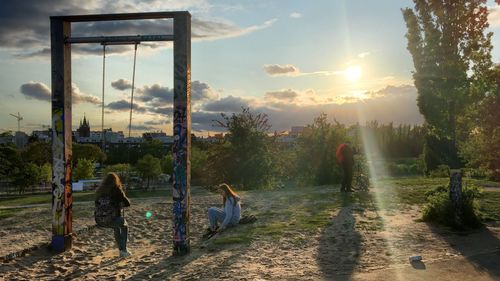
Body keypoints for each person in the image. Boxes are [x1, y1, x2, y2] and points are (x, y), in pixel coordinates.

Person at [95, 172, 132, 257]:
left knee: (117, 227)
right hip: (111, 219)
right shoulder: (116, 190)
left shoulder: (99, 191)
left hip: (99, 220)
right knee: (124, 225)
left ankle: (121, 250)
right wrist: (122, 193)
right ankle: (123, 249)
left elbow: (97, 205)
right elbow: (127, 203)